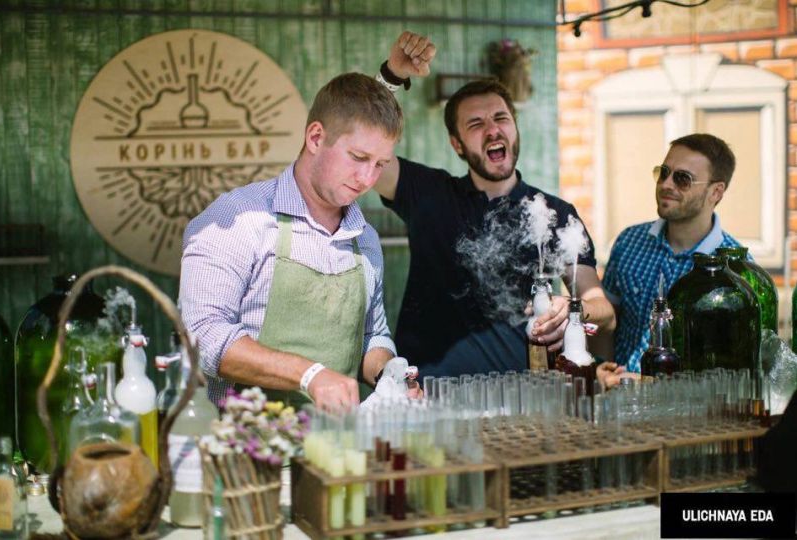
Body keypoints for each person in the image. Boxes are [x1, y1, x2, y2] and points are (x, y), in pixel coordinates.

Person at [373, 32, 615, 377]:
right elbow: (363, 140)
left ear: (515, 129)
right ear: (457, 144)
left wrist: (572, 309)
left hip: (527, 398)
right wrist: (392, 76)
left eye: (501, 119)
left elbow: (603, 309)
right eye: (476, 124)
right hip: (430, 397)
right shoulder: (428, 194)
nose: (492, 131)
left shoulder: (556, 215)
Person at [180, 73, 416, 411]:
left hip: (335, 448)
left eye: (380, 164)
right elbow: (201, 337)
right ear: (316, 137)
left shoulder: (364, 239)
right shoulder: (239, 219)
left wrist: (388, 373)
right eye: (358, 158)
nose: (368, 179)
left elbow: (370, 337)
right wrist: (309, 374)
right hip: (247, 448)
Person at [601, 133, 743, 373]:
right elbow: (606, 324)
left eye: (683, 179)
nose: (666, 184)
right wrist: (603, 371)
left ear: (716, 192)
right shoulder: (628, 242)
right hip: (621, 399)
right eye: (664, 172)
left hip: (690, 406)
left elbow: (732, 365)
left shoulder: (734, 266)